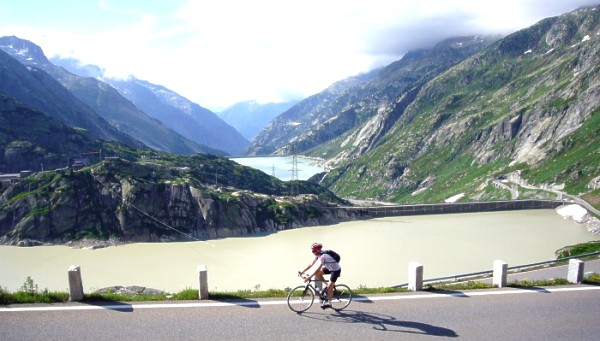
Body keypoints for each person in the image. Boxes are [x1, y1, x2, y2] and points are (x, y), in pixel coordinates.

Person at [299, 242, 341, 309]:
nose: (312, 252)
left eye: (313, 251)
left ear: (318, 250)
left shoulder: (323, 256)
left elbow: (318, 268)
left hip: (335, 270)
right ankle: (328, 286)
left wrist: (310, 277)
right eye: (312, 251)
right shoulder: (318, 254)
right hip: (329, 267)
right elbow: (311, 263)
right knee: (317, 273)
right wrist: (302, 271)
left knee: (329, 286)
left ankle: (329, 303)